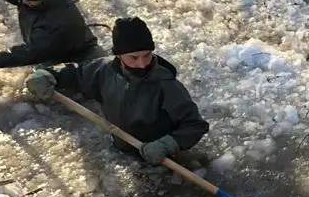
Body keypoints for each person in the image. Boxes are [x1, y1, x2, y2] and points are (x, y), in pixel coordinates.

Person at [24, 17, 209, 165]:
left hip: (161, 157)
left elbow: (195, 125)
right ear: (119, 54)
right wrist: (48, 74)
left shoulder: (166, 85)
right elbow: (76, 74)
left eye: (147, 55)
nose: (142, 63)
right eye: (134, 57)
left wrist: (167, 144)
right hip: (121, 147)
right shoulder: (104, 70)